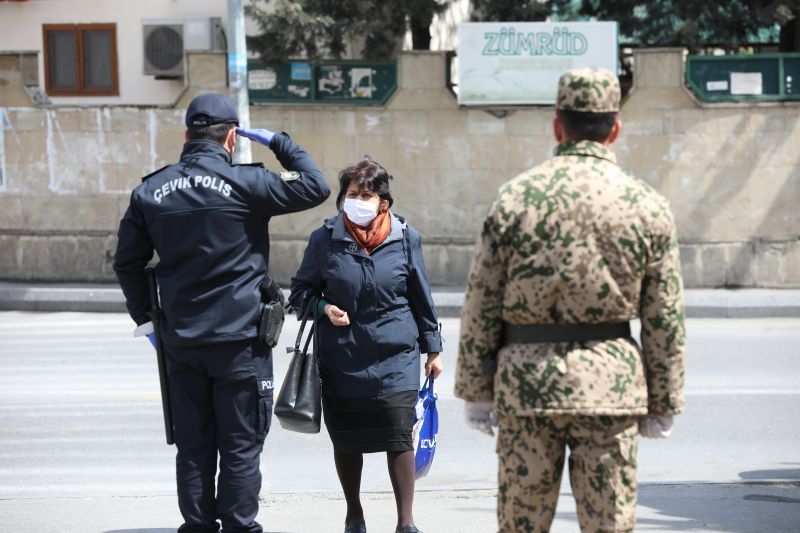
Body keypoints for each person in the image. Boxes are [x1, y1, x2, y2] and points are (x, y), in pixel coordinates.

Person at [454, 68, 686, 532]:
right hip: (611, 391)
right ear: (614, 127)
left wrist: (476, 392)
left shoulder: (515, 198)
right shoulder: (646, 204)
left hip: (526, 389)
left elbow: (481, 301)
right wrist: (665, 401)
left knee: (522, 523)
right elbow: (665, 316)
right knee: (608, 524)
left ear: (558, 124)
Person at [113, 92, 330, 533]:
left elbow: (127, 263)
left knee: (193, 445)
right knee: (240, 444)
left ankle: (196, 527)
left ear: (186, 135)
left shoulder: (150, 191)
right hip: (241, 342)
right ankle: (238, 526)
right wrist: (278, 142)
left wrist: (147, 319)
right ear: (232, 137)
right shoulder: (248, 184)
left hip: (182, 342)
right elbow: (316, 185)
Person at [289, 158, 443, 533]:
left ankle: (406, 521)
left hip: (398, 355)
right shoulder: (324, 239)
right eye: (351, 194)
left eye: (366, 194)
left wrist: (433, 349)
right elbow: (299, 294)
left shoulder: (406, 238)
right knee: (347, 438)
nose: (357, 201)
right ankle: (354, 514)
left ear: (383, 202)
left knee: (399, 431)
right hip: (344, 356)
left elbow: (421, 296)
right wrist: (324, 307)